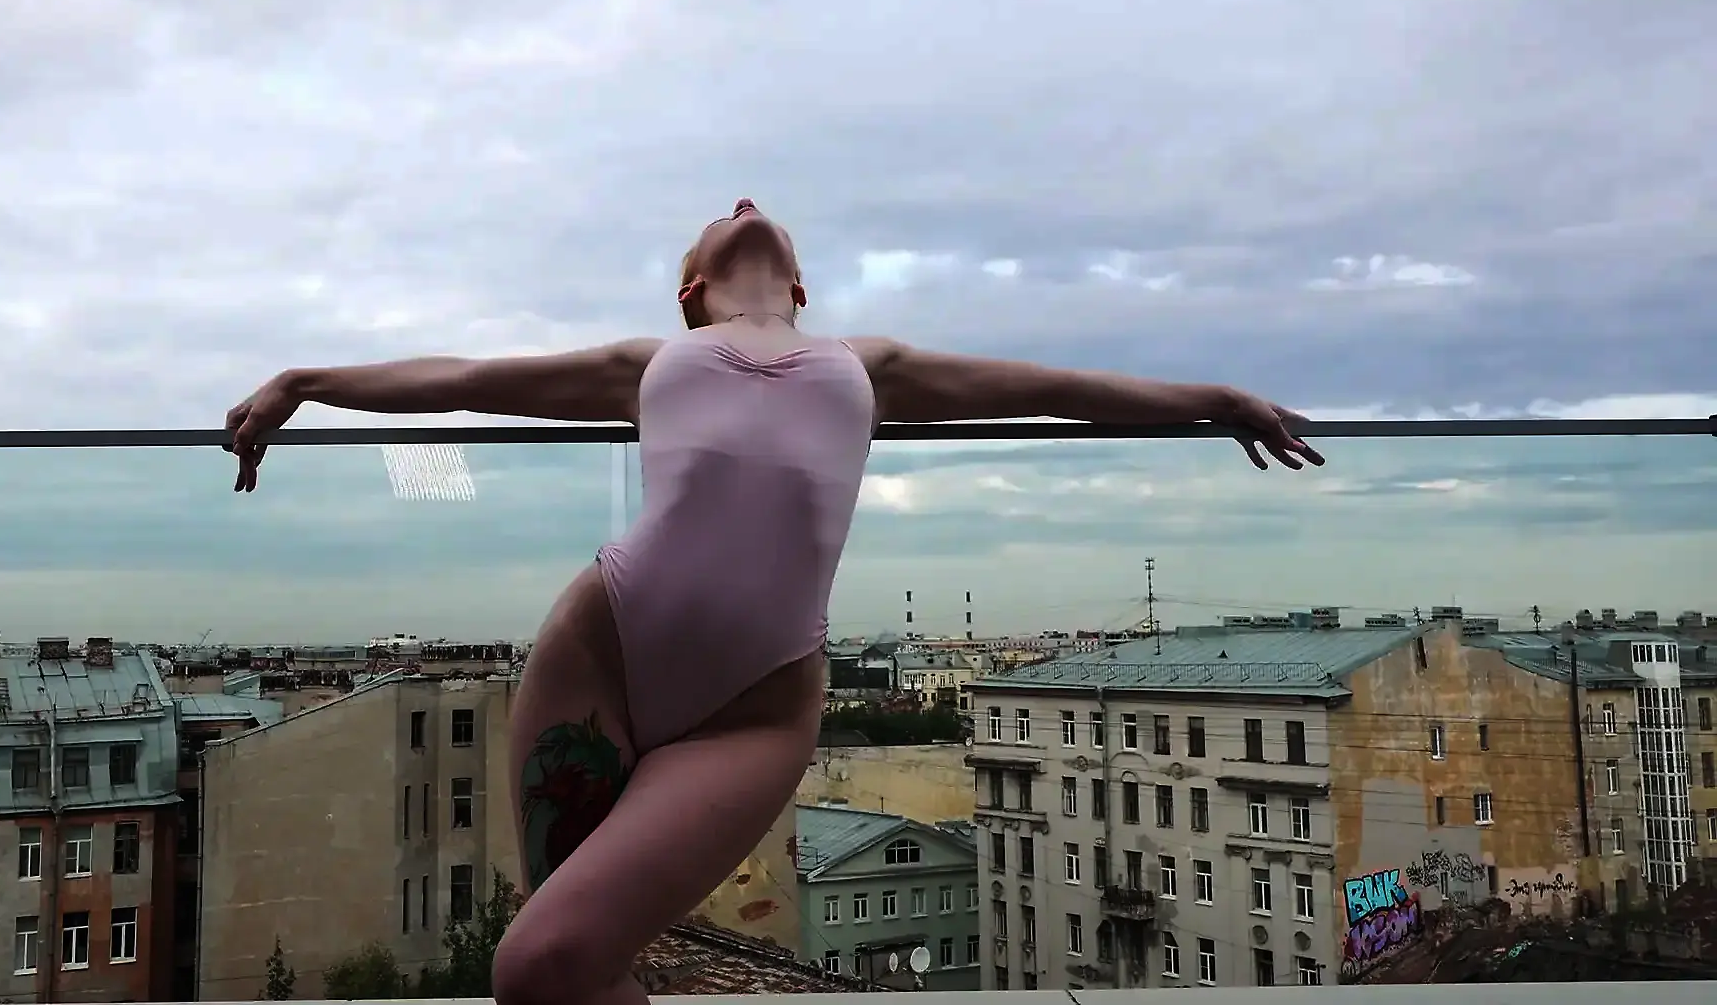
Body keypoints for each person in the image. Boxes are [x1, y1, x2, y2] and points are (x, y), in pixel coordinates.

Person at [223, 197, 1323, 1005]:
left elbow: (1058, 391)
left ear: (800, 289)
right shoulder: (652, 358)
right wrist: (305, 383)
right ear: (690, 289)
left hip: (751, 709)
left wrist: (1215, 399)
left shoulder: (867, 362)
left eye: (756, 213)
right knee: (573, 964)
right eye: (720, 216)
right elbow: (465, 383)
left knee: (541, 965)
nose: (745, 204)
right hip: (595, 652)